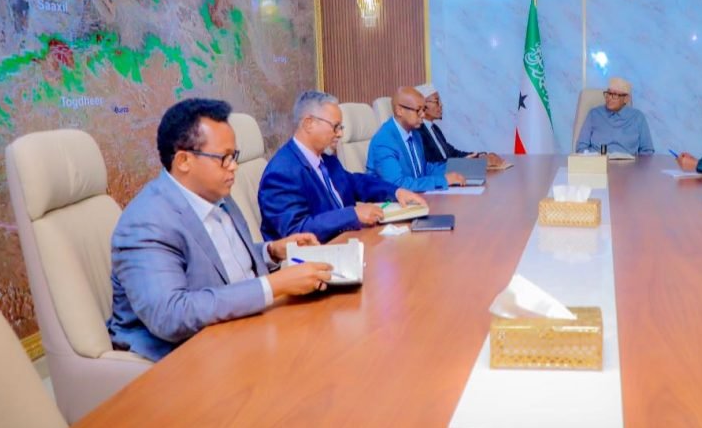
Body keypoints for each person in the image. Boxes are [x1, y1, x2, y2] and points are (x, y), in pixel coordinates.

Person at [108, 99, 333, 361]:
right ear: (184, 160)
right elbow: (170, 315)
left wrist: (272, 251)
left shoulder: (215, 193)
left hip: (243, 326)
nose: (234, 166)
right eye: (224, 158)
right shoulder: (147, 221)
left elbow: (220, 264)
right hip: (186, 354)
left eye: (234, 156)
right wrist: (274, 285)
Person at [259, 91, 428, 243]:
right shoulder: (281, 173)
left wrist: (396, 192)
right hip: (317, 257)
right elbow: (297, 231)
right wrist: (352, 215)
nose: (340, 134)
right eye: (335, 127)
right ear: (309, 123)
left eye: (340, 127)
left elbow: (355, 183)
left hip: (349, 243)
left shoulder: (326, 160)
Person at [367, 86, 466, 191]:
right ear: (399, 110)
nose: (423, 115)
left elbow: (424, 169)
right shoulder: (384, 141)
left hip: (416, 195)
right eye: (418, 110)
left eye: (423, 109)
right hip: (390, 200)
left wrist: (460, 169)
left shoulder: (415, 134)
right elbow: (398, 184)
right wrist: (442, 180)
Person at [415, 83, 507, 167]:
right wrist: (469, 162)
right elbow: (432, 164)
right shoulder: (417, 132)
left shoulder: (434, 128)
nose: (441, 105)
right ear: (423, 105)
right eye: (437, 101)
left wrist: (480, 156)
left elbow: (452, 153)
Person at [575, 77, 654, 155]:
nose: (609, 98)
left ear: (626, 99)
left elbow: (647, 151)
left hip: (628, 162)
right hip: (598, 161)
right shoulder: (594, 114)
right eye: (608, 93)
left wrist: (636, 163)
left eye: (615, 95)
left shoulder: (638, 117)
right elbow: (581, 147)